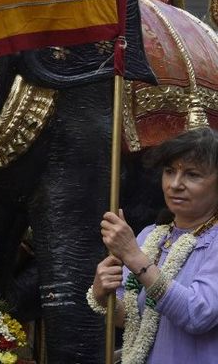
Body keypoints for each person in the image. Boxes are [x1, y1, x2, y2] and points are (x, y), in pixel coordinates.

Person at [90, 128, 218, 363]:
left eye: (192, 174)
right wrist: (101, 294)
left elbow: (197, 314)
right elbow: (132, 317)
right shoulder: (150, 236)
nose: (176, 184)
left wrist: (133, 256)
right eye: (170, 172)